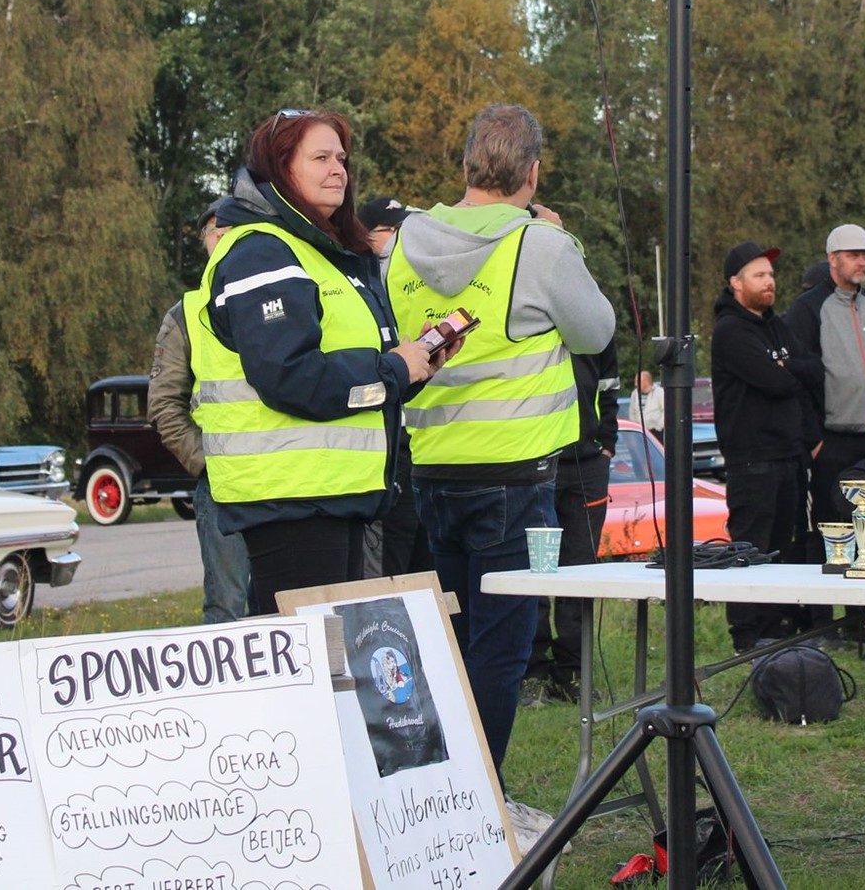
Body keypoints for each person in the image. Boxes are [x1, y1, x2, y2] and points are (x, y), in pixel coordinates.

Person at [387, 102, 616, 772]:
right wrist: (559, 240)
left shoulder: (405, 241)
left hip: (430, 471)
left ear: (464, 165)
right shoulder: (538, 245)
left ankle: (435, 785)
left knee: (448, 636)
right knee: (504, 642)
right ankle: (476, 795)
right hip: (515, 482)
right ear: (533, 174)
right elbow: (596, 333)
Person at [192, 109, 442, 617]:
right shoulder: (262, 253)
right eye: (321, 158)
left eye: (342, 159)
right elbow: (290, 377)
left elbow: (356, 374)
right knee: (310, 672)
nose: (339, 171)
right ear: (281, 168)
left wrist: (414, 367)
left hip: (334, 495)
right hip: (290, 499)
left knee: (331, 669)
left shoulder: (323, 251)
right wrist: (393, 370)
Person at [148, 198, 252, 625]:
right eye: (216, 232)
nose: (224, 239)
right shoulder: (187, 313)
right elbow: (164, 404)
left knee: (286, 606)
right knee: (226, 610)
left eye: (234, 231)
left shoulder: (286, 296)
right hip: (224, 486)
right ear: (205, 242)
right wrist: (205, 462)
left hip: (289, 482)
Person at [711, 240, 811, 651]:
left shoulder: (777, 325)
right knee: (752, 545)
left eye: (770, 275)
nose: (769, 282)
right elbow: (778, 381)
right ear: (736, 283)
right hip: (752, 459)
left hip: (789, 453)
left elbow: (811, 368)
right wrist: (788, 369)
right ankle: (748, 634)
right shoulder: (730, 331)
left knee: (787, 544)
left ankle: (779, 627)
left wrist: (789, 367)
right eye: (759, 275)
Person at [784, 224, 865, 523]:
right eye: (853, 255)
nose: (862, 262)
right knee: (833, 526)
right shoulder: (807, 308)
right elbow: (797, 377)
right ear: (833, 258)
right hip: (832, 442)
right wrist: (814, 439)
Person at [526, 337, 619, 702]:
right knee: (532, 570)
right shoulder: (531, 312)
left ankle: (573, 673)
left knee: (579, 570)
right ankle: (531, 672)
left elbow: (610, 387)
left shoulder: (595, 323)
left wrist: (606, 444)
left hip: (588, 464)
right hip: (534, 459)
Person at [358, 196, 431, 580]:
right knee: (389, 574)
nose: (402, 240)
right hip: (385, 454)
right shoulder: (361, 290)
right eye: (392, 231)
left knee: (425, 570)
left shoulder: (411, 283)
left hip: (421, 449)